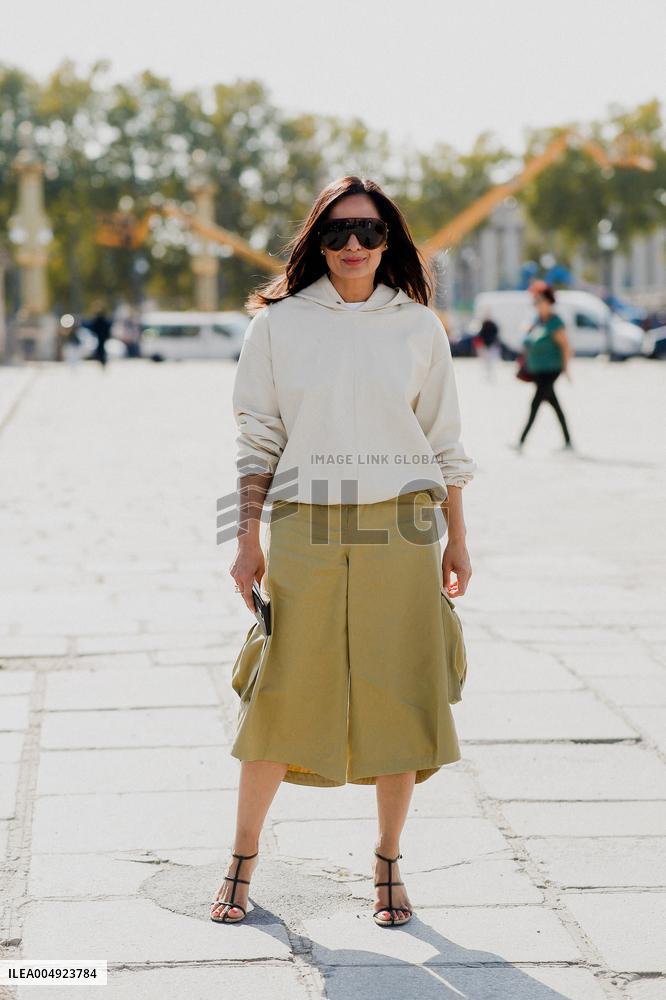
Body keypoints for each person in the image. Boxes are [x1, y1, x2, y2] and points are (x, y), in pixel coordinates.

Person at [211, 176, 477, 928]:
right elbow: (258, 439)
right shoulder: (278, 325)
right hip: (307, 524)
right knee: (282, 686)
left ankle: (388, 859)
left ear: (389, 240)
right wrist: (246, 539)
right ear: (316, 243)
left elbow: (445, 442)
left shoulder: (419, 327)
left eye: (368, 231)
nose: (353, 245)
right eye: (336, 232)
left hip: (404, 525)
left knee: (401, 690)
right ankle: (242, 858)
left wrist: (459, 537)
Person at [513, 283, 574, 451]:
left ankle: (521, 441)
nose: (536, 305)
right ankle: (568, 441)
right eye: (535, 302)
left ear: (548, 301)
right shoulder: (537, 321)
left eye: (539, 301)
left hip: (551, 369)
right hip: (537, 370)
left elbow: (565, 347)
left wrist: (566, 369)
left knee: (535, 403)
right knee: (554, 405)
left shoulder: (555, 322)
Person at [477, 313, 500, 382]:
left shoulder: (492, 325)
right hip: (487, 346)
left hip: (490, 345)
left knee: (490, 361)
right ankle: (489, 375)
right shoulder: (486, 325)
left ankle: (491, 375)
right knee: (488, 362)